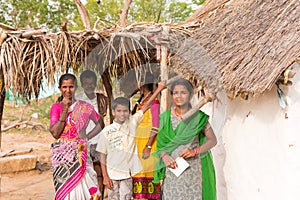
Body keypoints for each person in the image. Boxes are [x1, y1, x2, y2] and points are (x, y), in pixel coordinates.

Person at [96, 81, 166, 200]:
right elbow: (102, 155)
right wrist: (105, 176)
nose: (122, 114)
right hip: (112, 175)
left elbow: (147, 106)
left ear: (129, 112)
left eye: (125, 111)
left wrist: (158, 90)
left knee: (127, 197)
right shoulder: (106, 132)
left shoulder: (132, 122)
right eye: (118, 111)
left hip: (127, 175)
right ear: (113, 112)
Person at [153, 78, 217, 200]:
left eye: (183, 92)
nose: (179, 96)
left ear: (190, 95)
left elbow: (212, 140)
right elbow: (161, 145)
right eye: (175, 93)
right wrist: (165, 157)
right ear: (171, 95)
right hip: (173, 170)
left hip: (194, 170)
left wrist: (195, 151)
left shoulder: (199, 117)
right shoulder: (165, 118)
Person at [49, 73, 102, 200]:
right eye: (64, 87)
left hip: (81, 154)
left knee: (87, 187)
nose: (68, 90)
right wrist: (65, 109)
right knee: (66, 191)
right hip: (63, 158)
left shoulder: (85, 107)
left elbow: (100, 123)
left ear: (76, 87)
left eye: (71, 87)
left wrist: (87, 137)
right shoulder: (56, 108)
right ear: (60, 88)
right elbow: (55, 133)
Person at [77, 69, 109, 197]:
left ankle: (99, 196)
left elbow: (102, 122)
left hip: (98, 140)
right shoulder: (78, 100)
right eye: (86, 83)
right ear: (82, 84)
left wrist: (88, 136)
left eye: (91, 83)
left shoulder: (101, 100)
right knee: (84, 172)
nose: (89, 86)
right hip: (82, 142)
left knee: (99, 172)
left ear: (95, 84)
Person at [132, 74, 161, 199]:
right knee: (138, 175)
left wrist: (148, 146)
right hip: (138, 144)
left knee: (148, 175)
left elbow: (155, 126)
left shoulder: (154, 102)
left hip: (148, 143)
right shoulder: (139, 101)